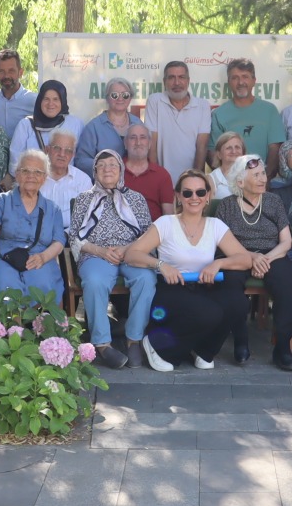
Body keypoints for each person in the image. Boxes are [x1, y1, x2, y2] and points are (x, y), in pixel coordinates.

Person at [123, 170, 253, 369]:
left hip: (202, 287)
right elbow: (132, 254)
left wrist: (219, 263)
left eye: (200, 192)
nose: (194, 198)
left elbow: (244, 259)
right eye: (188, 193)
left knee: (238, 304)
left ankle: (203, 350)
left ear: (208, 196)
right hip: (171, 288)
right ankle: (158, 345)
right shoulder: (166, 223)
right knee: (209, 312)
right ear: (178, 196)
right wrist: (161, 265)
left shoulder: (215, 225)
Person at [69, 150, 158, 369]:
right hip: (96, 253)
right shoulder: (84, 199)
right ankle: (102, 344)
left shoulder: (136, 198)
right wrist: (101, 251)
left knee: (146, 279)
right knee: (95, 281)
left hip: (132, 253)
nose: (107, 169)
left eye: (113, 165)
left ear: (120, 170)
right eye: (102, 165)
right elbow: (74, 237)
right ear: (95, 171)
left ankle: (134, 339)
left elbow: (149, 234)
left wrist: (127, 249)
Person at [214, 154, 292, 370]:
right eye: (256, 175)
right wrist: (249, 259)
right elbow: (221, 242)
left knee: (288, 285)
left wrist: (264, 259)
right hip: (236, 255)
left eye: (263, 173)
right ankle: (241, 341)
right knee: (230, 282)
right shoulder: (226, 207)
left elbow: (286, 242)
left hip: (272, 255)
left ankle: (282, 348)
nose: (263, 178)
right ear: (240, 182)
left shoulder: (273, 201)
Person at [0, 149, 67, 303]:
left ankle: (41, 325)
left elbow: (59, 241)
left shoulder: (53, 209)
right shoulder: (2, 200)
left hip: (39, 258)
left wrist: (43, 257)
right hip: (3, 257)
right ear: (17, 174)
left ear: (44, 178)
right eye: (25, 170)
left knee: (43, 283)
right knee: (7, 286)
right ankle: (10, 326)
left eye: (37, 172)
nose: (31, 176)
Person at [209, 58, 285, 172]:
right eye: (235, 78)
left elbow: (276, 149)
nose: (240, 82)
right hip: (230, 183)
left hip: (262, 181)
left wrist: (265, 178)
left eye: (245, 77)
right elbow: (213, 153)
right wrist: (228, 180)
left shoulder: (269, 110)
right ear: (229, 82)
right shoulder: (218, 114)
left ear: (254, 80)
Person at [145, 60, 211, 177]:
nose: (177, 82)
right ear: (164, 81)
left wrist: (194, 179)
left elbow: (202, 146)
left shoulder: (202, 105)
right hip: (161, 178)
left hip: (190, 181)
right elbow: (152, 142)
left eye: (181, 77)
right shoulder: (155, 101)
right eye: (171, 78)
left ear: (188, 81)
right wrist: (155, 177)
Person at [9, 79, 83, 173]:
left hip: (65, 183)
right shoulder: (25, 125)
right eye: (46, 99)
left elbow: (80, 160)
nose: (50, 104)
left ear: (62, 101)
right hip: (34, 183)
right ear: (40, 100)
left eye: (56, 99)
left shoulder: (75, 124)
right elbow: (15, 164)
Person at [75, 76, 136, 172]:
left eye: (125, 95)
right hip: (104, 183)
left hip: (134, 182)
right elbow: (81, 161)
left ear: (130, 98)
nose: (120, 99)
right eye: (114, 95)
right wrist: (104, 166)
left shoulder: (138, 124)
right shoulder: (94, 127)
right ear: (107, 98)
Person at [122, 123, 175, 219]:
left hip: (153, 230)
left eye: (143, 137)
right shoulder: (115, 171)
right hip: (121, 231)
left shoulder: (162, 175)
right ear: (125, 143)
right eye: (133, 138)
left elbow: (169, 215)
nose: (138, 142)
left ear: (150, 143)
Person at [41, 129, 91, 220]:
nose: (62, 154)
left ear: (73, 155)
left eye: (68, 150)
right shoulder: (34, 176)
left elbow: (87, 217)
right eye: (57, 148)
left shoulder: (83, 180)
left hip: (71, 233)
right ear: (47, 150)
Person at [0, 48, 38, 137]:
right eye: (1, 71)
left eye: (11, 71)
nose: (6, 75)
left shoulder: (34, 100)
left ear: (20, 72)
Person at [209, 131, 247, 199]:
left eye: (237, 147)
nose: (234, 151)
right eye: (228, 148)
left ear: (243, 153)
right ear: (219, 154)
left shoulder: (250, 174)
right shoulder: (211, 179)